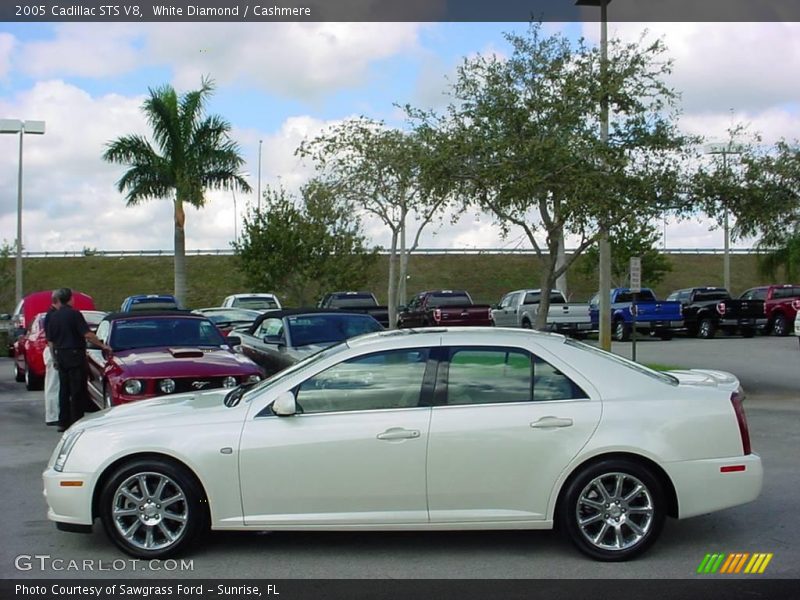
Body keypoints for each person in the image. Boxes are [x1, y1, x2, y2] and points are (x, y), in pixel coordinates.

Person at [45, 288, 112, 431]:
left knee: (64, 389)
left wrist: (55, 357)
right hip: (75, 354)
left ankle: (63, 422)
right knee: (77, 389)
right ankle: (77, 421)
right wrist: (102, 345)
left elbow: (50, 341)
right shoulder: (74, 314)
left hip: (60, 354)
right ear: (70, 299)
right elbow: (87, 334)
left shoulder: (53, 316)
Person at [43, 291, 61, 426]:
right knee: (53, 385)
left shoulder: (50, 315)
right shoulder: (52, 316)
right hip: (53, 351)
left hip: (52, 351)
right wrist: (54, 357)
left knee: (54, 384)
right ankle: (52, 415)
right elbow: (51, 340)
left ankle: (54, 414)